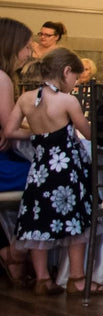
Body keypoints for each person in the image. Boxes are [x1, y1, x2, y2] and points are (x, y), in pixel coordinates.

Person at [3, 48, 98, 296]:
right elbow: (88, 134)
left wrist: (38, 134)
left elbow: (11, 131)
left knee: (39, 221)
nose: (75, 83)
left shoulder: (26, 98)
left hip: (40, 170)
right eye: (75, 78)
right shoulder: (68, 101)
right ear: (66, 71)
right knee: (75, 223)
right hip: (67, 170)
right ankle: (77, 278)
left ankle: (43, 279)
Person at [0, 18, 36, 285]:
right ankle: (17, 252)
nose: (30, 52)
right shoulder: (2, 78)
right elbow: (10, 128)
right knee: (45, 178)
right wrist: (45, 129)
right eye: (25, 46)